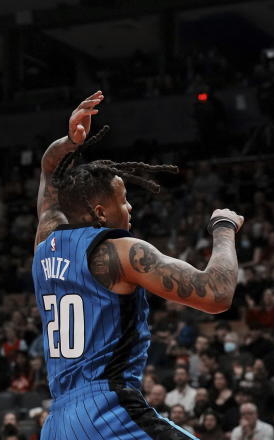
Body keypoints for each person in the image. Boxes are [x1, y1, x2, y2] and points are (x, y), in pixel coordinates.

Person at [32, 91, 242, 439]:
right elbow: (217, 294)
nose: (130, 209)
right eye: (124, 200)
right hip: (106, 412)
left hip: (57, 424)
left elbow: (49, 171)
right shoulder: (118, 252)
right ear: (101, 212)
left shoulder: (45, 241)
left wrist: (69, 142)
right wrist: (223, 228)